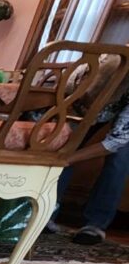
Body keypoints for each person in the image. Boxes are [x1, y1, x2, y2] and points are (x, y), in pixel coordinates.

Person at [53, 92, 129, 245]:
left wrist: (66, 160)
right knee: (69, 141)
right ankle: (46, 212)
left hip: (120, 110)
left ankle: (95, 225)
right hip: (102, 95)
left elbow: (116, 141)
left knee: (120, 157)